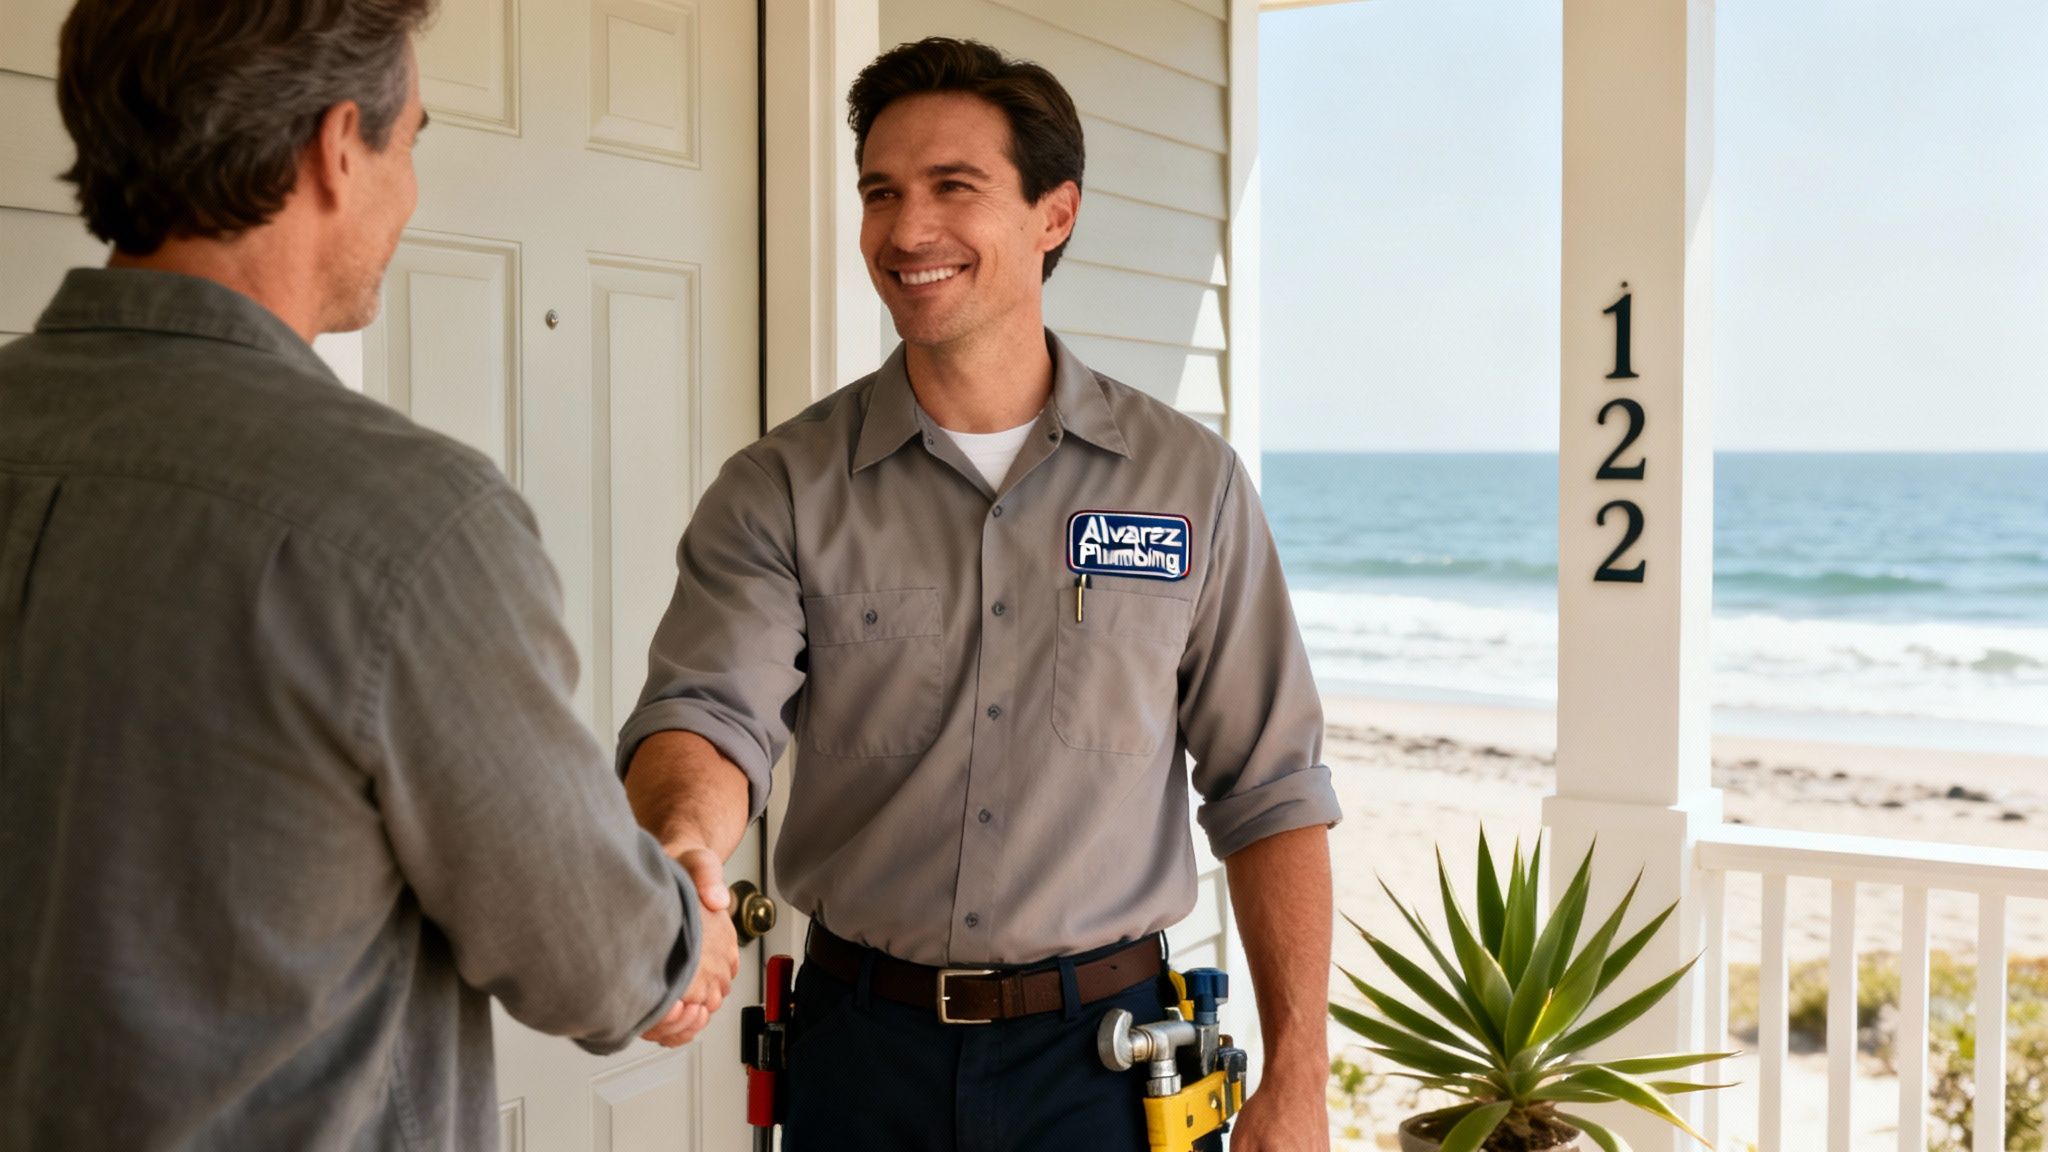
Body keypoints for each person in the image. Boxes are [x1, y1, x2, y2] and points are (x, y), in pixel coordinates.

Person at [0, 1, 736, 1147]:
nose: (409, 194)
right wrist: (682, 925)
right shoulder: (405, 525)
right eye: (413, 144)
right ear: (338, 148)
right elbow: (596, 960)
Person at [618, 37, 1340, 1152]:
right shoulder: (781, 487)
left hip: (1112, 1070)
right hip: (860, 1056)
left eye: (953, 188)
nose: (906, 232)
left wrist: (1297, 1074)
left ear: (1053, 213)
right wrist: (685, 842)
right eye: (880, 192)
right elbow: (711, 714)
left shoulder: (1187, 483)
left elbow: (1270, 788)